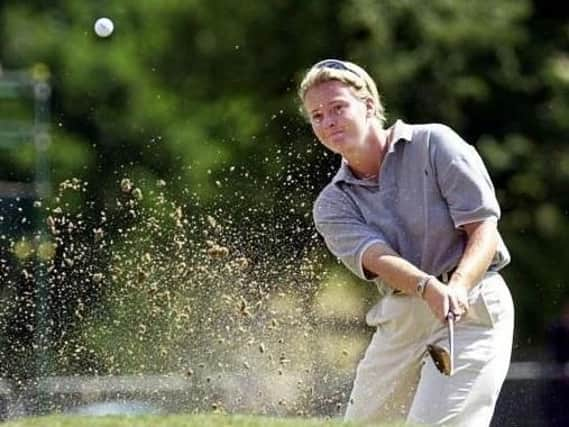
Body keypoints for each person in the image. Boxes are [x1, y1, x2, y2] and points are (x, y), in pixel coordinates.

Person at [298, 59, 515, 426]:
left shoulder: (435, 143)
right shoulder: (332, 203)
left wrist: (457, 287)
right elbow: (377, 257)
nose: (328, 121)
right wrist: (427, 287)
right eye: (317, 116)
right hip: (402, 317)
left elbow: (483, 228)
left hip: (472, 308)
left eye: (338, 107)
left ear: (368, 105)